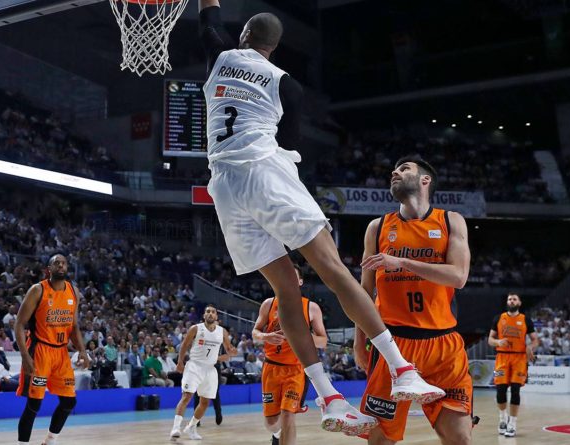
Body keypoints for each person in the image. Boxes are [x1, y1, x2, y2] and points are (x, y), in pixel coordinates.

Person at [198, 0, 442, 435]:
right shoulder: (286, 83)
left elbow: (209, 17)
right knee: (333, 270)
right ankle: (402, 367)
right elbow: (289, 140)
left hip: (224, 188)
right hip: (262, 172)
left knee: (285, 290)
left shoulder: (218, 57)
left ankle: (329, 396)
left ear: (243, 38)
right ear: (273, 47)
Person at [354, 156, 473, 445]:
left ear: (425, 179)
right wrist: (359, 341)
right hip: (392, 345)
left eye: (404, 168)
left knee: (459, 438)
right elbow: (363, 294)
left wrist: (402, 263)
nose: (394, 172)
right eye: (394, 169)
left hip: (443, 345)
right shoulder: (377, 227)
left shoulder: (450, 220)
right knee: (380, 438)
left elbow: (458, 276)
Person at [15, 255, 89, 445]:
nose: (61, 265)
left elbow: (73, 327)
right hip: (40, 351)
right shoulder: (37, 290)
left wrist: (82, 350)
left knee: (69, 402)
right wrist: (24, 356)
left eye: (63, 263)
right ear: (49, 268)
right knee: (34, 404)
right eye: (57, 263)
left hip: (61, 353)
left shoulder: (73, 292)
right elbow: (19, 324)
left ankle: (50, 440)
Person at [252, 265, 327, 445]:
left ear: (300, 281)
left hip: (296, 370)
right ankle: (277, 435)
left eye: (293, 277)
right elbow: (255, 333)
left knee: (288, 416)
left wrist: (301, 335)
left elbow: (323, 341)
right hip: (271, 368)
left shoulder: (311, 307)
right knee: (271, 423)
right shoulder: (269, 304)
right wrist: (265, 336)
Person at [169, 305, 237, 440]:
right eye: (208, 312)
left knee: (205, 402)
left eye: (213, 312)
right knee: (186, 396)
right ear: (204, 315)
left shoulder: (222, 332)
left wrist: (232, 353)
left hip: (210, 368)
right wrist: (180, 362)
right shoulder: (195, 328)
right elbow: (184, 345)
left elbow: (229, 351)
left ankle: (191, 427)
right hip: (194, 366)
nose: (210, 314)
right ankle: (176, 428)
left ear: (217, 316)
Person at [487, 293, 538, 438]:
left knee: (516, 390)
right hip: (501, 358)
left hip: (519, 358)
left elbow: (535, 340)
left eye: (514, 299)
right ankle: (502, 418)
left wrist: (530, 347)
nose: (511, 301)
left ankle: (513, 424)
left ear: (519, 302)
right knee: (500, 390)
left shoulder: (526, 320)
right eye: (509, 299)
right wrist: (497, 342)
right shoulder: (498, 318)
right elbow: (490, 339)